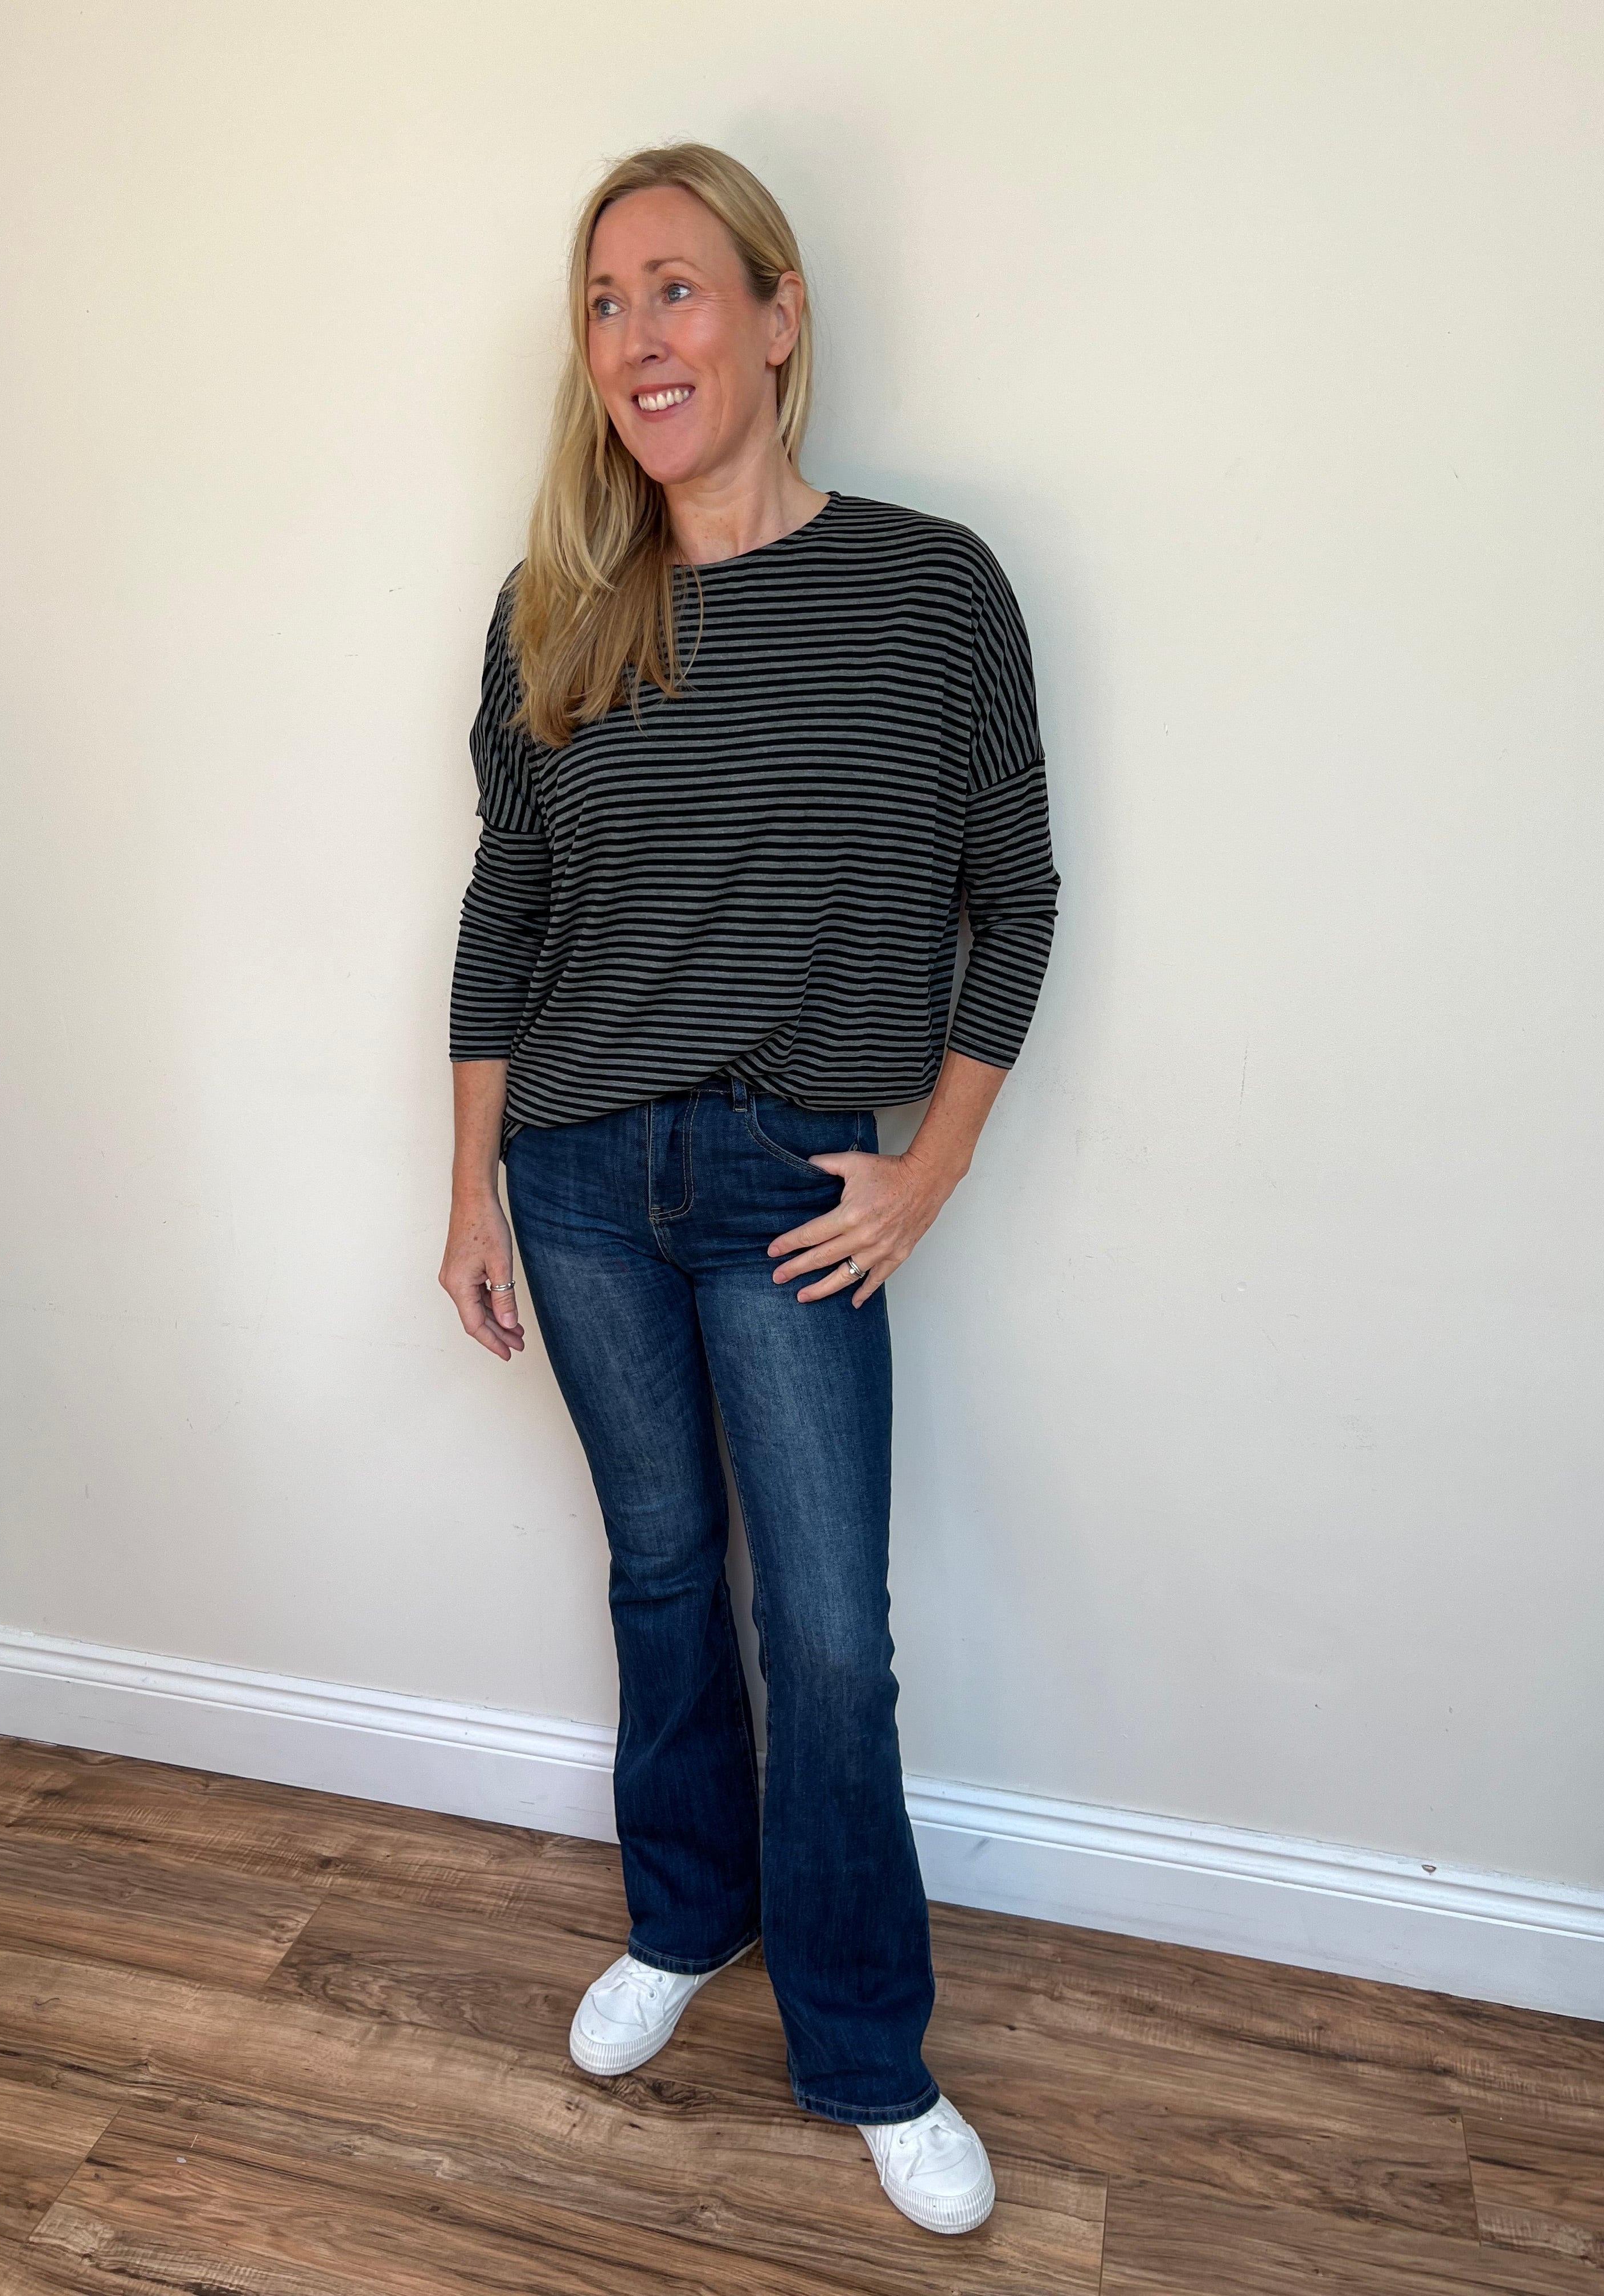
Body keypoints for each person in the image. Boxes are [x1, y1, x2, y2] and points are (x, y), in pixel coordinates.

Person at [440, 141, 1058, 2238]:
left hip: (800, 1177)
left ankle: (869, 2044)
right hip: (587, 1180)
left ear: (781, 315)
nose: (639, 338)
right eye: (606, 302)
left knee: (831, 1636)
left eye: (679, 289)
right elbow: (505, 915)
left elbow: (1014, 896)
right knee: (660, 1583)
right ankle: (684, 1922)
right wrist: (472, 1192)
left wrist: (931, 1178)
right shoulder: (555, 610)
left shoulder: (927, 585)